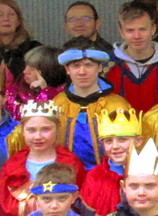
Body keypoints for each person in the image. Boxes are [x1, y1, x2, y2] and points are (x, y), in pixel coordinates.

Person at [0, 100, 86, 216]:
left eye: (45, 129)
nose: (38, 136)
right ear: (23, 131)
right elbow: (5, 209)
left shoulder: (71, 164)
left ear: (57, 129)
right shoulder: (11, 167)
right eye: (31, 130)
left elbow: (81, 206)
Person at [54, 39, 131, 169]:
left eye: (88, 65)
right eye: (75, 66)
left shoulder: (117, 105)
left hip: (108, 176)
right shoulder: (58, 104)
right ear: (67, 69)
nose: (82, 72)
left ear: (100, 67)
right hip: (67, 176)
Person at [79, 108, 142, 216]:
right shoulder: (94, 177)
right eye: (108, 141)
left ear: (138, 141)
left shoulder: (152, 173)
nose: (115, 146)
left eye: (122, 140)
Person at [107, 2, 158, 112]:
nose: (137, 36)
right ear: (121, 32)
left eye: (142, 29)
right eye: (130, 30)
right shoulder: (105, 67)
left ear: (153, 29)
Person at [0, 0, 39, 81]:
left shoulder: (33, 49)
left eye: (11, 14)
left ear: (18, 21)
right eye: (0, 15)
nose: (6, 19)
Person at [6, 44, 67, 116]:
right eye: (26, 66)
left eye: (32, 69)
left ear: (48, 71)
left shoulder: (65, 96)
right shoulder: (13, 92)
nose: (24, 71)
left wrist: (45, 92)